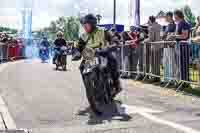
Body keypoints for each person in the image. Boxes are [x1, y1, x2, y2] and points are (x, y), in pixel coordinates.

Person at [72, 14, 122, 115]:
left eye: (87, 25)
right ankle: (89, 87)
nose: (85, 27)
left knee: (113, 61)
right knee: (81, 67)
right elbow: (79, 47)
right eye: (84, 25)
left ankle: (116, 84)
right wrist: (77, 53)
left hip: (103, 53)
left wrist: (113, 44)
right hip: (90, 56)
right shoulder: (84, 36)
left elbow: (113, 39)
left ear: (93, 24)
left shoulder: (103, 31)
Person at [168, 10, 191, 88]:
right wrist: (174, 37)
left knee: (183, 64)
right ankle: (182, 81)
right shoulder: (179, 24)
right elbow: (179, 35)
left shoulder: (184, 23)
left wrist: (173, 36)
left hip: (183, 47)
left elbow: (184, 36)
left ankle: (185, 82)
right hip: (179, 46)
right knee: (180, 65)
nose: (174, 17)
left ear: (177, 15)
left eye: (174, 16)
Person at [144, 16, 161, 83]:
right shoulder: (159, 26)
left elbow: (151, 38)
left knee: (154, 63)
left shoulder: (151, 27)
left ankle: (154, 77)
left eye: (148, 21)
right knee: (157, 63)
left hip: (154, 46)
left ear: (150, 21)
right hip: (159, 46)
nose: (148, 22)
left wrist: (145, 40)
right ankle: (157, 77)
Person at [161, 11, 177, 87]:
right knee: (166, 63)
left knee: (171, 63)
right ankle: (166, 79)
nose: (165, 18)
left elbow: (172, 35)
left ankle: (172, 80)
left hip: (170, 46)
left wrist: (166, 36)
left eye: (166, 17)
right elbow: (164, 35)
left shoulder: (174, 25)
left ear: (170, 17)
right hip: (165, 46)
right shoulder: (168, 25)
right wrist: (164, 35)